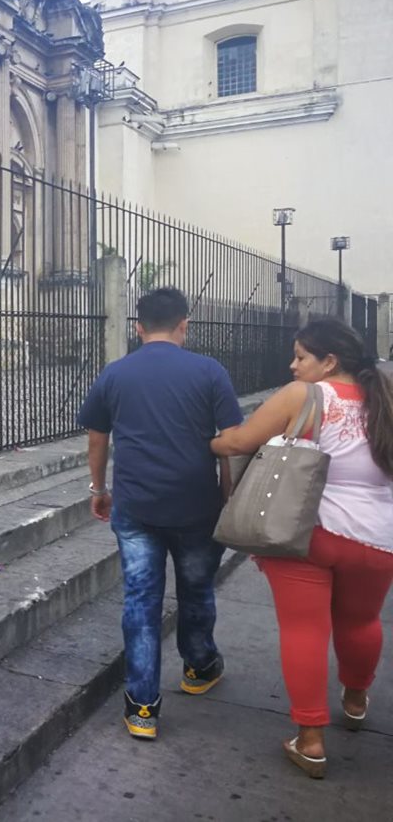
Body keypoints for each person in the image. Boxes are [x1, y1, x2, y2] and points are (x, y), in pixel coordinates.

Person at [212, 317, 393, 778]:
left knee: (304, 630)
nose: (292, 367)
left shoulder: (307, 396)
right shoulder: (385, 398)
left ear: (329, 361)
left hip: (306, 534)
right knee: (362, 621)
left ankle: (310, 740)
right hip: (377, 538)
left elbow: (241, 440)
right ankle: (354, 700)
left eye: (300, 357)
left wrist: (212, 441)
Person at [78, 287, 243, 739]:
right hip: (197, 506)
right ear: (184, 324)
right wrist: (227, 492)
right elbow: (231, 439)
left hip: (135, 507)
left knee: (141, 600)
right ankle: (199, 666)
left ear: (138, 327)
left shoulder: (115, 373)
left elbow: (97, 438)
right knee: (196, 590)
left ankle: (143, 707)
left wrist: (98, 488)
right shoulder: (209, 371)